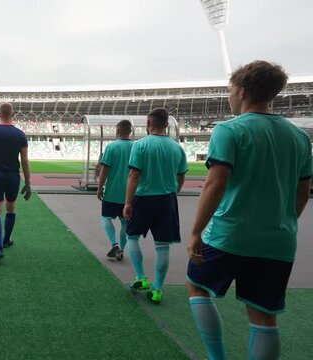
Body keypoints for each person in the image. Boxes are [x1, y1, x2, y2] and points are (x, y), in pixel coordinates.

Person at [186, 61, 311, 360]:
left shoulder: (229, 130)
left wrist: (194, 232)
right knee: (264, 315)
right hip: (279, 241)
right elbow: (303, 191)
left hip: (230, 234)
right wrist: (283, 221)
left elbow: (214, 184)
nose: (229, 96)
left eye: (230, 90)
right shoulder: (299, 137)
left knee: (197, 287)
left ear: (242, 91)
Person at [123, 108, 187, 304]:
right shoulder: (177, 148)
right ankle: (158, 289)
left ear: (148, 125)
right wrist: (173, 192)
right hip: (167, 198)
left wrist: (127, 202)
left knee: (131, 236)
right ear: (166, 125)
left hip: (144, 197)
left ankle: (141, 277)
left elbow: (134, 175)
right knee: (162, 245)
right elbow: (181, 175)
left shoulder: (140, 145)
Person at [0, 103, 32, 263]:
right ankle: (6, 239)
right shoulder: (20, 134)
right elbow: (24, 161)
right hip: (13, 177)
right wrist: (28, 183)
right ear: (13, 114)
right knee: (11, 208)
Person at [96, 120, 134, 261]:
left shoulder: (111, 147)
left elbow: (104, 170)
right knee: (125, 222)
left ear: (117, 131)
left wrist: (100, 188)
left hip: (112, 191)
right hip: (130, 193)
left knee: (106, 218)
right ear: (130, 131)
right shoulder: (136, 147)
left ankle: (115, 244)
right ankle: (122, 250)